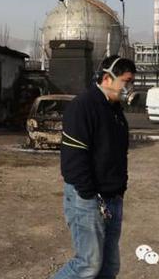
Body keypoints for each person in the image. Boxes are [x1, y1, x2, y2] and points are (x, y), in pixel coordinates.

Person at [52, 55, 136, 279]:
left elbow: (117, 153)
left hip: (112, 197)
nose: (129, 88)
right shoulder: (83, 106)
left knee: (108, 267)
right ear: (108, 78)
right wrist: (90, 194)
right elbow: (73, 159)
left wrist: (119, 189)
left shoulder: (115, 110)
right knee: (87, 265)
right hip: (87, 199)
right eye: (126, 82)